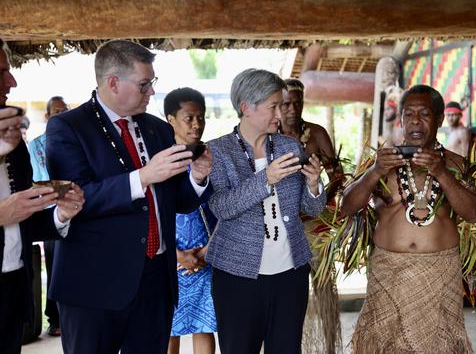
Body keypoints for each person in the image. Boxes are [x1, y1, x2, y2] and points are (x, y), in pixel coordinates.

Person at [45, 40, 213, 354]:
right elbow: (76, 201)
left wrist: (198, 178)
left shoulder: (158, 130)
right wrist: (144, 177)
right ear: (113, 83)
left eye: (152, 83)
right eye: (144, 84)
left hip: (155, 281)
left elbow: (177, 201)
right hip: (94, 285)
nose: (151, 92)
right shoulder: (67, 128)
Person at [340, 84, 476, 353]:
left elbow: (473, 214)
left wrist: (441, 173)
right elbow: (346, 207)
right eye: (408, 114)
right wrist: (374, 172)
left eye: (424, 114)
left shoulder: (456, 165)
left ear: (439, 119)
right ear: (401, 119)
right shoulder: (382, 162)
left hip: (439, 275)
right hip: (389, 273)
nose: (415, 121)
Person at [205, 68, 326, 354]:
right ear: (246, 107)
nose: (280, 115)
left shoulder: (289, 146)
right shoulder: (218, 150)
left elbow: (311, 208)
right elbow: (221, 207)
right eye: (274, 106)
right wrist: (265, 179)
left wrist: (313, 184)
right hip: (237, 277)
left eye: (281, 106)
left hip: (290, 274)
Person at [0, 40, 84, 354]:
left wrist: (61, 215)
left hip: (13, 291)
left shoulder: (14, 142)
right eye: (2, 72)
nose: (13, 81)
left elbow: (25, 218)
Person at [279, 78, 342, 354]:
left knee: (325, 286)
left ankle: (328, 347)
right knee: (286, 291)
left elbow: (338, 175)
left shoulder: (315, 134)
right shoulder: (269, 134)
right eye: (286, 104)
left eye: (297, 102)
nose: (292, 109)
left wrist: (318, 201)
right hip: (280, 224)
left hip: (315, 224)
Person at [164, 87, 217, 354]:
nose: (196, 124)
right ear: (170, 119)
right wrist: (176, 255)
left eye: (201, 117)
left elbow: (224, 209)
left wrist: (207, 251)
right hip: (169, 258)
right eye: (189, 118)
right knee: (167, 329)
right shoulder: (159, 159)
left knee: (204, 325)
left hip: (206, 255)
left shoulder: (212, 156)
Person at [27, 95, 69, 337]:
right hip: (49, 214)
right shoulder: (36, 145)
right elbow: (38, 179)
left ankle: (69, 314)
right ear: (47, 116)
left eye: (64, 111)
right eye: (56, 111)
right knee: (54, 267)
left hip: (75, 210)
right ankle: (55, 319)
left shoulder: (74, 141)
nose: (60, 115)